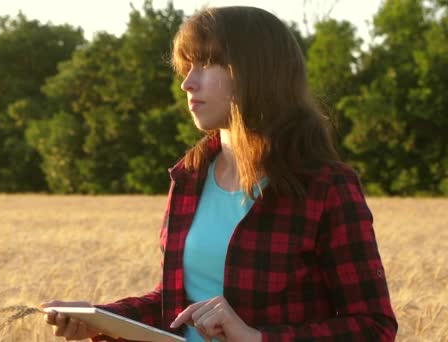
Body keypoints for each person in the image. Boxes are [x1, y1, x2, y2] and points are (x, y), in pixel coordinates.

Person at [42, 6, 398, 342]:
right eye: (187, 66)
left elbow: (374, 327)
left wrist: (256, 339)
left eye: (208, 63)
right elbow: (175, 303)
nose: (188, 83)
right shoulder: (189, 178)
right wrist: (99, 317)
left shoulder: (326, 187)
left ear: (257, 73)